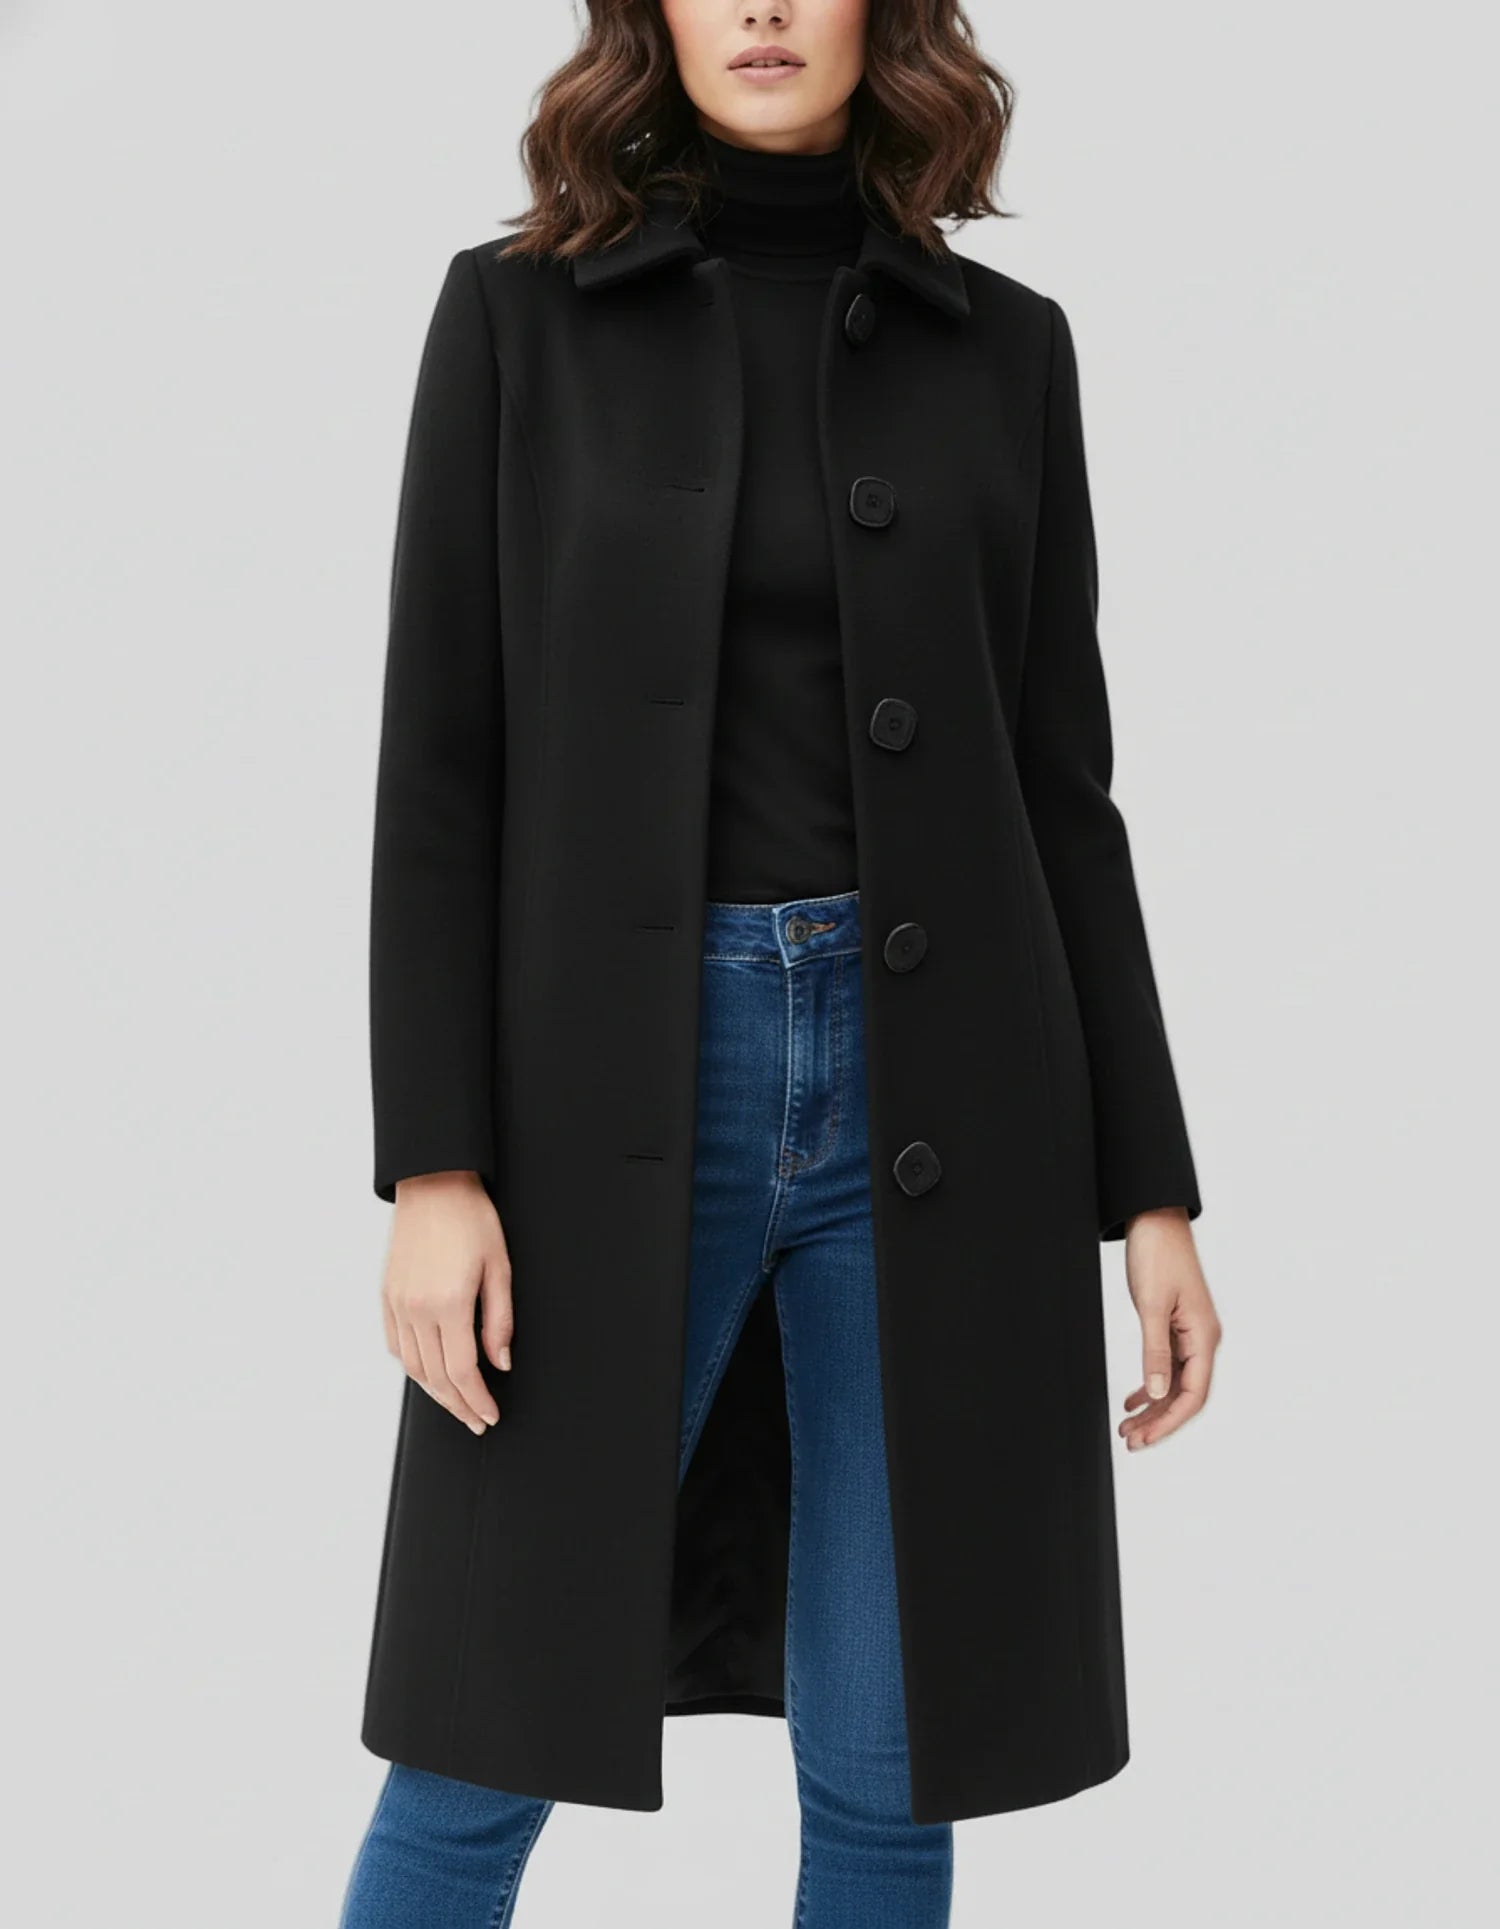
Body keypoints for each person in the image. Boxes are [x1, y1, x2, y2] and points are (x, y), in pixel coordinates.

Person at [340, 3, 1223, 1924]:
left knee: (895, 1758)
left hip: (950, 1102)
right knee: (481, 1739)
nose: (759, 8)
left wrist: (1150, 1191)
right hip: (601, 1103)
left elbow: (1062, 792)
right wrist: (433, 1164)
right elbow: (440, 766)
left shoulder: (1008, 352)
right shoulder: (515, 319)